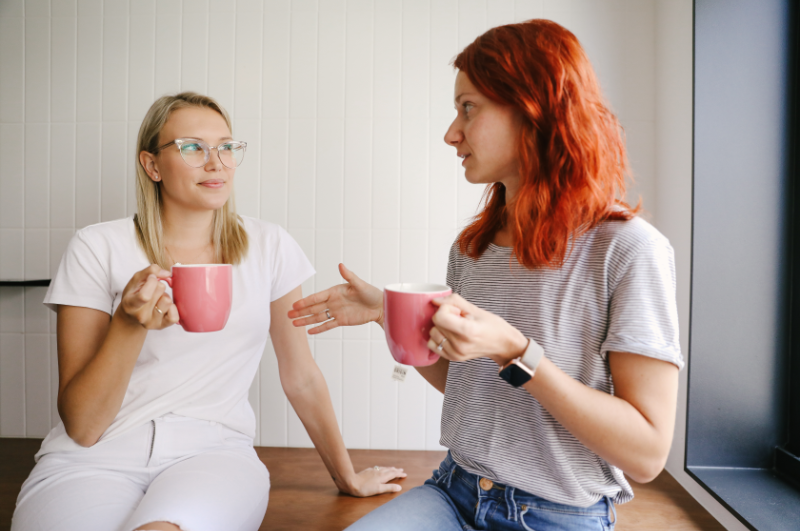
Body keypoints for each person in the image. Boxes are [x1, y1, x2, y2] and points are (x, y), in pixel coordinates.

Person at [289, 20, 683, 531]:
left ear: (532, 107)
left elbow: (648, 453)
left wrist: (517, 352)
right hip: (454, 492)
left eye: (468, 108)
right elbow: (466, 384)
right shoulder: (471, 248)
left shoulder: (629, 251)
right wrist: (388, 315)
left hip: (557, 514)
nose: (452, 132)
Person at [11, 92, 404, 531]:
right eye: (193, 147)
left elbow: (301, 375)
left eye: (226, 147)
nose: (216, 163)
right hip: (92, 457)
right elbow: (83, 426)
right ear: (152, 165)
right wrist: (127, 323)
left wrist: (345, 475)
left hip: (213, 454)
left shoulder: (269, 247)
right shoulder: (96, 247)